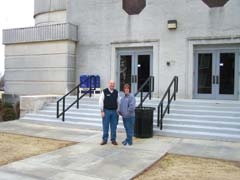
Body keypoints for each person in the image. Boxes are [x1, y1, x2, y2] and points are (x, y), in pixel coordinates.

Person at [99, 80, 119, 145]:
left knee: (114, 127)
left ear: (114, 85)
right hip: (106, 111)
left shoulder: (116, 92)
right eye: (111, 83)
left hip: (114, 112)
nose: (112, 85)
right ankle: (104, 140)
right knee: (105, 126)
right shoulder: (104, 91)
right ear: (108, 84)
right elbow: (101, 101)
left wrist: (118, 111)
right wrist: (102, 111)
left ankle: (113, 140)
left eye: (113, 84)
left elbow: (118, 102)